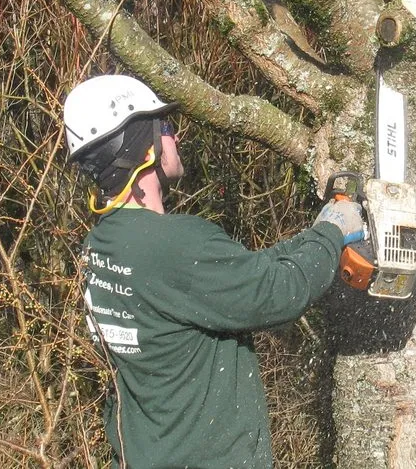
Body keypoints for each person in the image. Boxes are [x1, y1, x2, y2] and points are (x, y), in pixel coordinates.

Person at [63, 74, 363, 469]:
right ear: (141, 144)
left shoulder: (99, 247)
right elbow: (280, 291)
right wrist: (333, 231)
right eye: (165, 127)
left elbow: (242, 275)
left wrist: (312, 235)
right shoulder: (174, 244)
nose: (175, 137)